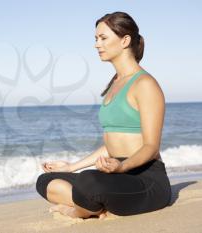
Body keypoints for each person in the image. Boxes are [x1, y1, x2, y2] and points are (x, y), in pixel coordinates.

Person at [35, 11, 172, 219]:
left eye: (103, 38)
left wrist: (121, 166)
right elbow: (112, 145)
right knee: (46, 181)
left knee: (89, 181)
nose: (97, 44)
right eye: (96, 39)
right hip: (116, 175)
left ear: (125, 40)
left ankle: (77, 210)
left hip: (146, 179)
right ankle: (95, 206)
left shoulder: (145, 85)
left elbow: (151, 148)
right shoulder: (115, 84)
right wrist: (71, 167)